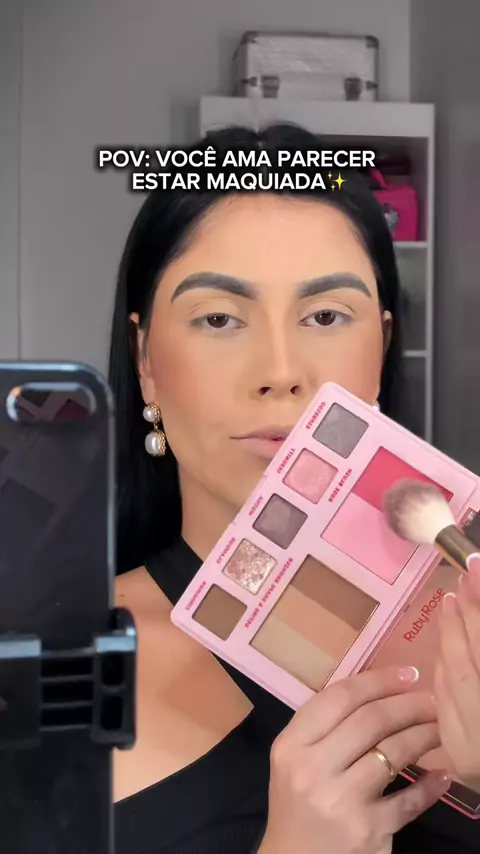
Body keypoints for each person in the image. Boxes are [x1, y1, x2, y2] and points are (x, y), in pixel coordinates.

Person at [109, 123, 480, 854]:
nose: (281, 371)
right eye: (219, 318)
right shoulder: (46, 666)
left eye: (325, 316)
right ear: (146, 360)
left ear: (380, 347)